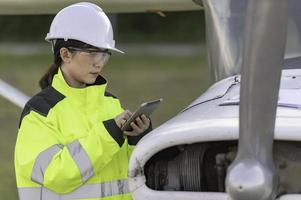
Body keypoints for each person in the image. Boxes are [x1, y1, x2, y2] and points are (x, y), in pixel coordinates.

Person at [14, 2, 151, 200]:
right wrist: (108, 135)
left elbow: (126, 174)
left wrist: (138, 139)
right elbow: (55, 174)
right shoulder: (39, 112)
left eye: (104, 54)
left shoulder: (111, 103)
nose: (99, 63)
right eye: (92, 53)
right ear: (65, 54)